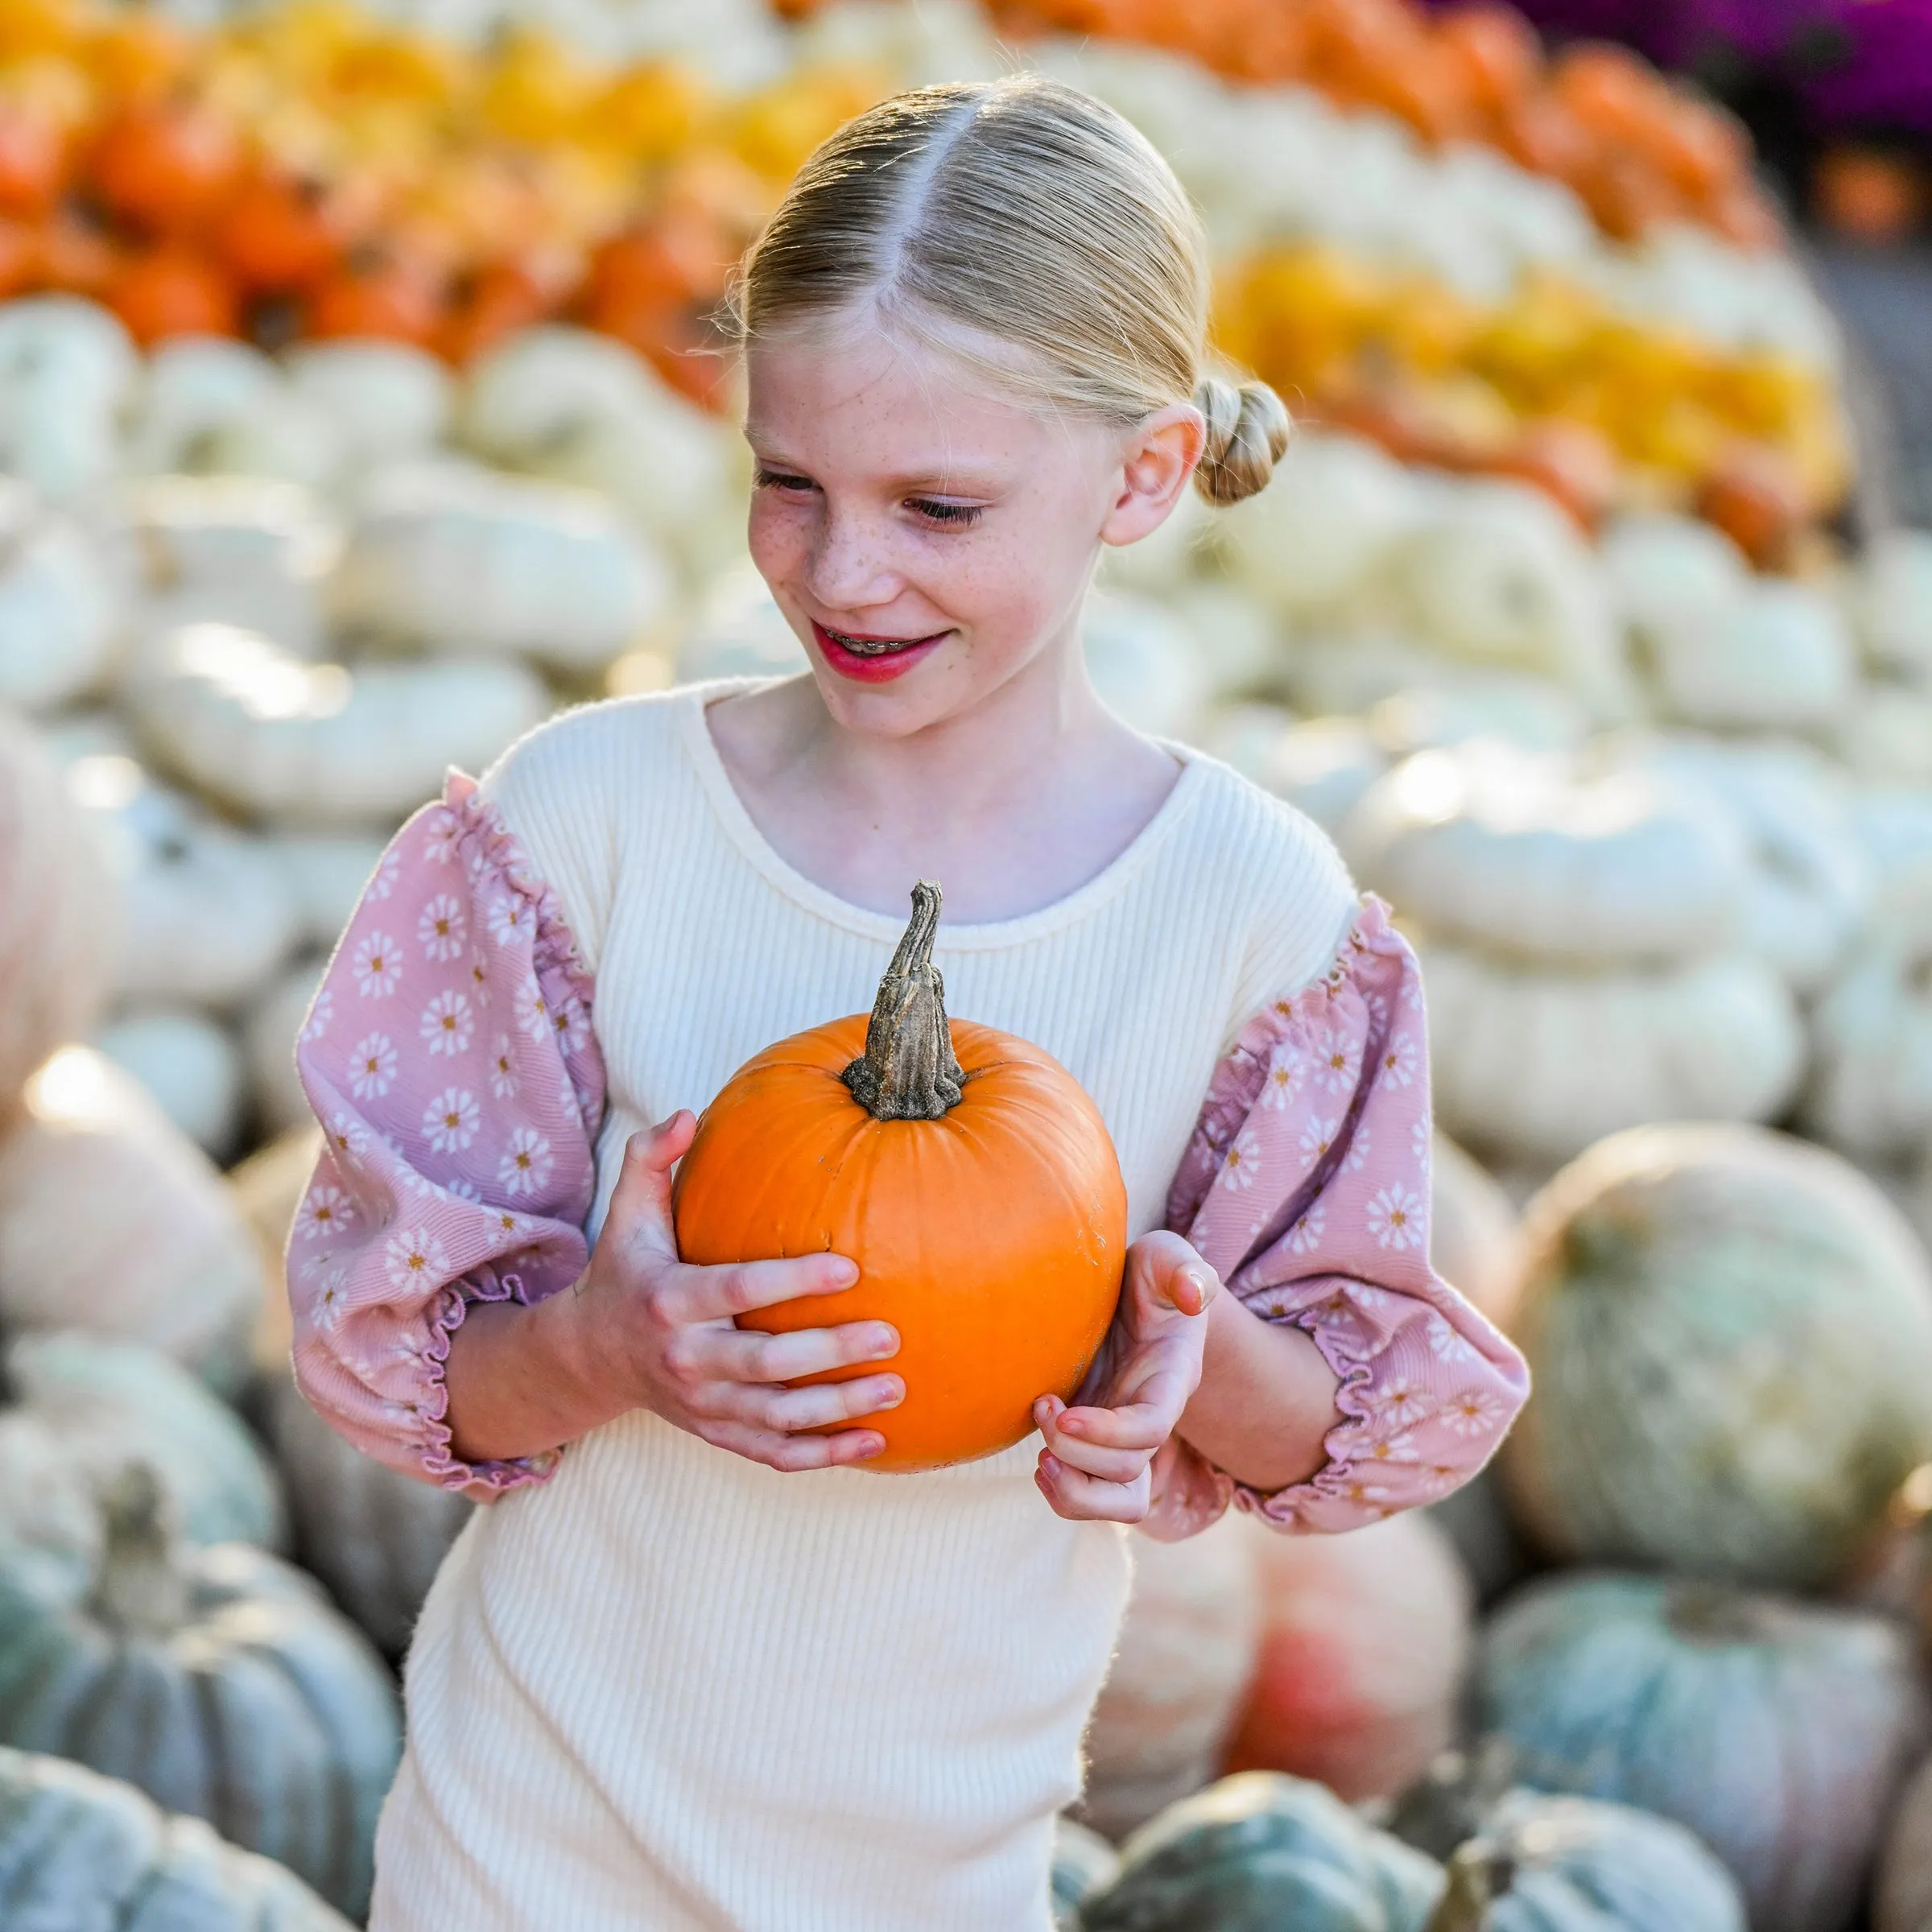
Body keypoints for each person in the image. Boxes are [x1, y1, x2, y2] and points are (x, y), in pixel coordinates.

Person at [287, 74, 1530, 1932]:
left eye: (938, 506)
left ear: (1142, 476)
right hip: (522, 1853)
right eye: (790, 485)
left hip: (932, 1883)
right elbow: (391, 1349)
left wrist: (1191, 1369)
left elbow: (1345, 1416)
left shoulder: (1247, 916)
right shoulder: (586, 831)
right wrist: (603, 1351)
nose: (843, 572)